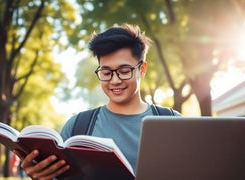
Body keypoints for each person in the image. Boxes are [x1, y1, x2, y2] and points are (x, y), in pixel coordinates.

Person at [17, 23, 181, 179]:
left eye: (124, 71)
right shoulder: (77, 126)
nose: (115, 80)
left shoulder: (175, 124)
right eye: (106, 72)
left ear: (142, 69)